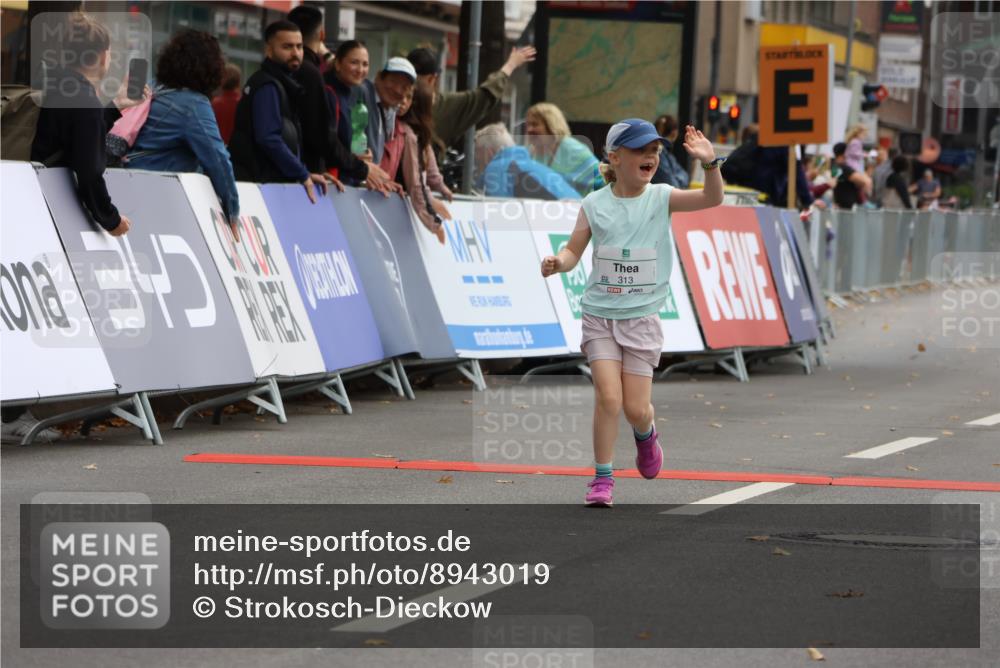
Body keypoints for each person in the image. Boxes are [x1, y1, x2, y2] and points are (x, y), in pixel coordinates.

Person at [539, 119, 724, 507]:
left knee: (636, 408)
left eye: (655, 150)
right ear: (614, 156)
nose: (651, 156)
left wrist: (710, 164)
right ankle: (602, 478)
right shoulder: (594, 204)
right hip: (599, 315)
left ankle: (646, 433)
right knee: (609, 398)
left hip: (641, 317)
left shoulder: (662, 196)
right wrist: (560, 262)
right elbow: (574, 250)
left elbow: (712, 199)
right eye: (641, 150)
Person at [31, 12, 148, 236]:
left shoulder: (57, 85)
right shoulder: (86, 102)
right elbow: (90, 173)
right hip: (53, 205)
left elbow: (72, 135)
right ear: (103, 57)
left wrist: (114, 107)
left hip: (35, 191)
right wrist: (112, 220)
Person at [125, 30, 240, 239]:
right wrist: (232, 210)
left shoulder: (153, 87)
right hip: (153, 197)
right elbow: (218, 159)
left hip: (124, 180)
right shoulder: (194, 105)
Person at [227, 20, 331, 202]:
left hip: (266, 187)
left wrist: (304, 171)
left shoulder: (283, 84)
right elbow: (268, 138)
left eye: (299, 47)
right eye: (287, 47)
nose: (296, 53)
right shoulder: (267, 85)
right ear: (269, 50)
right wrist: (301, 173)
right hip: (258, 190)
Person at [408, 45, 536, 159]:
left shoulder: (396, 102)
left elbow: (484, 95)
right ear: (433, 79)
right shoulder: (446, 106)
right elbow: (486, 95)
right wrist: (511, 64)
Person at [321, 40, 397, 191]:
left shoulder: (352, 94)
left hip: (346, 183)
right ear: (337, 64)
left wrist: (360, 157)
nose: (360, 70)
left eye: (365, 64)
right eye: (354, 63)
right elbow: (329, 143)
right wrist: (359, 166)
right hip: (329, 184)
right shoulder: (328, 92)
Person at [399, 82, 452, 243]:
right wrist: (434, 222)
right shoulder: (409, 136)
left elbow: (428, 166)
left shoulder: (419, 134)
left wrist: (439, 185)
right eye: (431, 106)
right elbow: (416, 183)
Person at [474, 123, 579, 199]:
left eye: (477, 153)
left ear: (488, 153)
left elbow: (497, 213)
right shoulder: (534, 166)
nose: (476, 160)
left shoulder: (497, 167)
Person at [525, 102, 602, 196]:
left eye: (535, 124)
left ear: (551, 125)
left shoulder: (573, 149)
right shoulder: (529, 152)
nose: (529, 129)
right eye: (528, 125)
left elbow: (600, 181)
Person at [357, 57, 417, 175]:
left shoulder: (389, 110)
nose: (397, 90)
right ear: (379, 77)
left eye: (404, 87)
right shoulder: (362, 92)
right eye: (393, 81)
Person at [651, 114, 689, 188]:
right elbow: (673, 185)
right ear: (674, 133)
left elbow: (685, 175)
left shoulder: (667, 154)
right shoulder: (659, 154)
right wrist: (677, 178)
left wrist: (675, 178)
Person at [831, 141, 872, 210]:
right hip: (849, 208)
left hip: (841, 206)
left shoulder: (835, 166)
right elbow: (865, 181)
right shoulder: (844, 168)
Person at [211, 63, 241, 144]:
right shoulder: (243, 104)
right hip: (237, 149)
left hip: (218, 147)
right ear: (238, 82)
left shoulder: (214, 104)